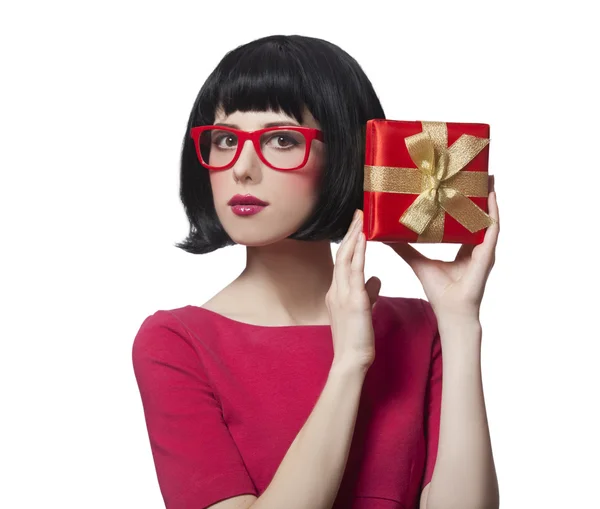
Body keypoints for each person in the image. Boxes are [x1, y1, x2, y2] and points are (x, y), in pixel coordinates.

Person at [132, 34, 500, 509]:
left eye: (281, 139)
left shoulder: (418, 329)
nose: (241, 168)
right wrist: (348, 362)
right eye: (225, 139)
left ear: (346, 155)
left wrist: (459, 323)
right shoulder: (175, 342)